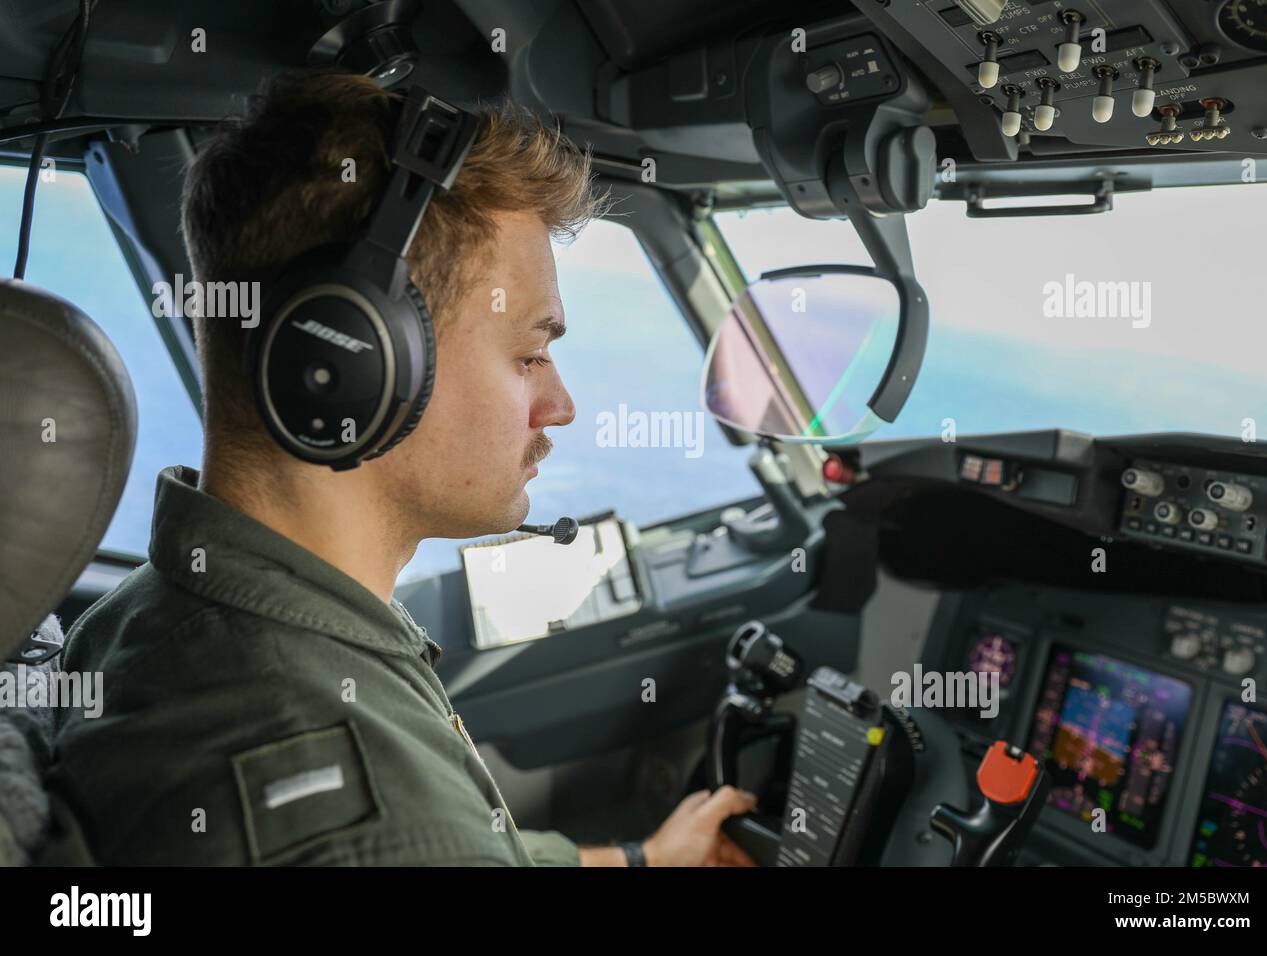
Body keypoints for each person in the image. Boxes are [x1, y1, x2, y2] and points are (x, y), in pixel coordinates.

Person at [49, 68, 758, 866]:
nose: (561, 405)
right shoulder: (382, 827)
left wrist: (641, 863)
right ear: (350, 363)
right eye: (529, 354)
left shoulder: (144, 615)